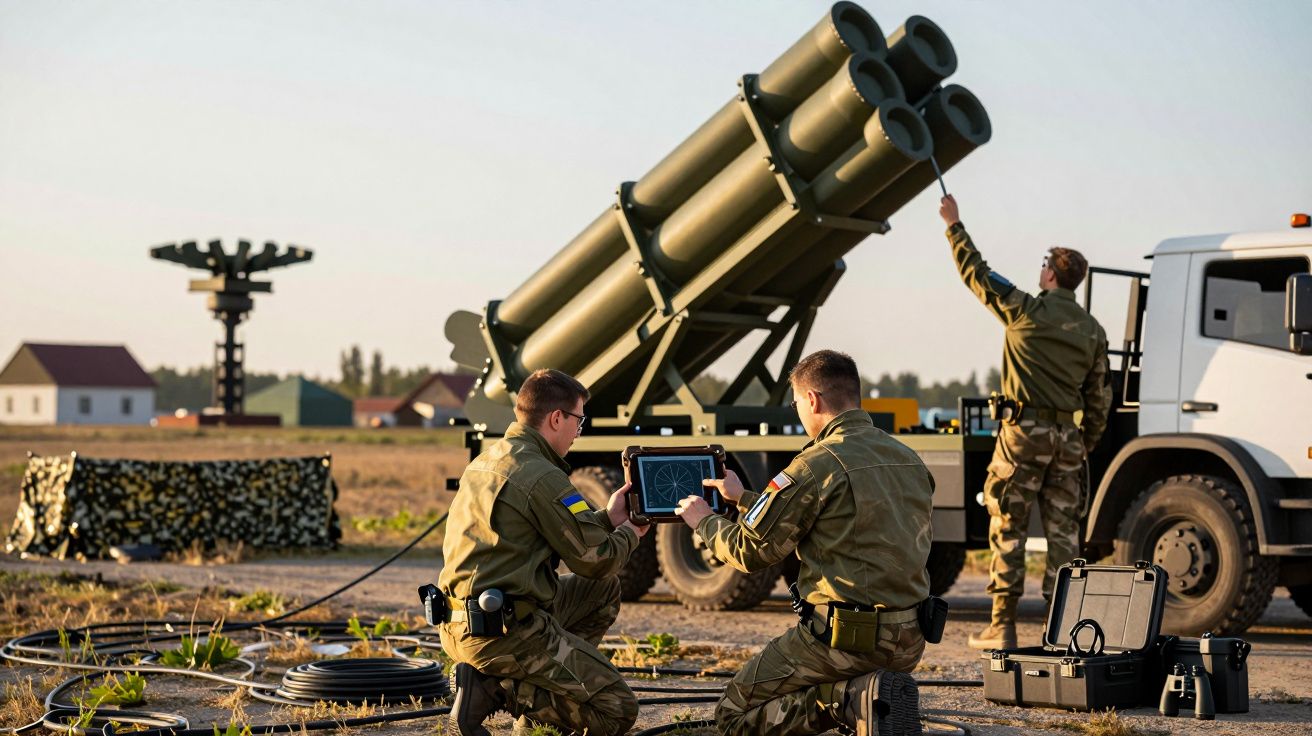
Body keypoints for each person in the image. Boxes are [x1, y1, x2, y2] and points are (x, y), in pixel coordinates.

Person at [675, 349, 934, 736]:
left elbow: (751, 552)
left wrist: (704, 521)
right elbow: (843, 518)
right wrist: (744, 498)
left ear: (812, 400)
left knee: (732, 716)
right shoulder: (908, 457)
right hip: (910, 640)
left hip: (846, 642)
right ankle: (868, 693)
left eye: (797, 402)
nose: (798, 411)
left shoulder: (815, 464)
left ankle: (846, 700)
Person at [937, 194, 1112, 650]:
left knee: (1008, 525)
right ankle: (1064, 632)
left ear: (1050, 274)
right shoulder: (1093, 331)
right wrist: (1084, 441)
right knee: (1063, 535)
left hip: (1022, 435)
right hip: (1067, 440)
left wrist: (954, 225)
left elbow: (975, 273)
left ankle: (1002, 625)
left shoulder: (1026, 311)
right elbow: (1099, 399)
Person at [438, 368, 650, 736]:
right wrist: (632, 532)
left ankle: (538, 709)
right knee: (617, 711)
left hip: (463, 624)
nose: (578, 432)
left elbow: (567, 538)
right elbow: (596, 562)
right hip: (504, 633)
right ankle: (497, 691)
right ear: (556, 418)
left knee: (601, 593)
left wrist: (609, 518)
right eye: (578, 421)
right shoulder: (541, 474)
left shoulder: (490, 460)